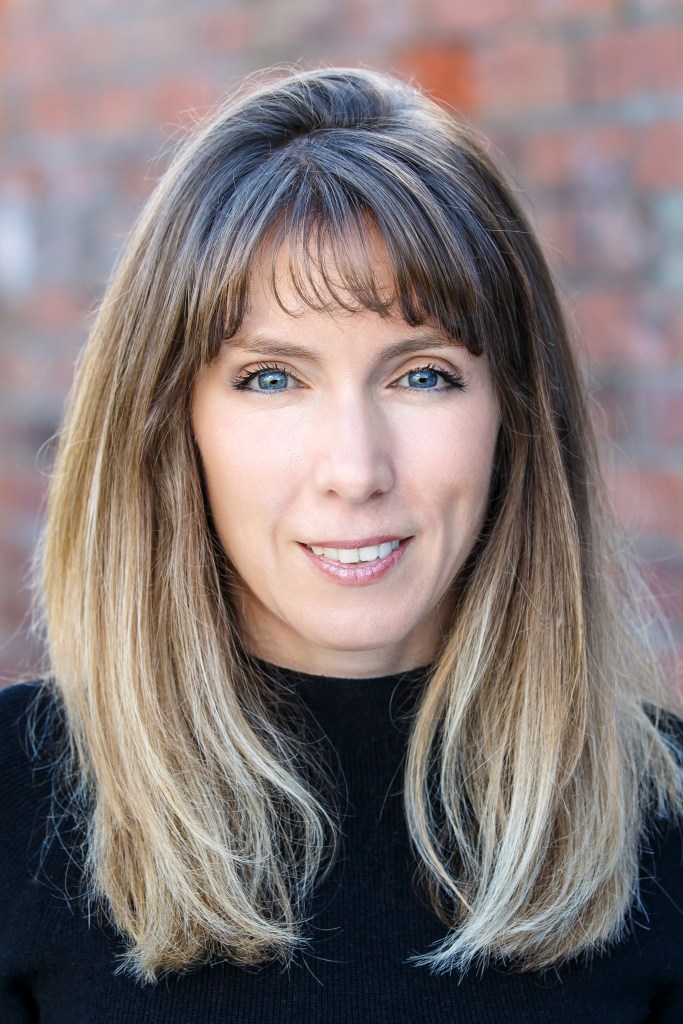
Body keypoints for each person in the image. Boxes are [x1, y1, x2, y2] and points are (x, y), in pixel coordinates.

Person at [1, 66, 681, 1023]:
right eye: (273, 378)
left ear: (515, 417)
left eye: (424, 376)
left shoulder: (662, 828)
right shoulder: (17, 809)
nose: (355, 469)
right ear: (170, 424)